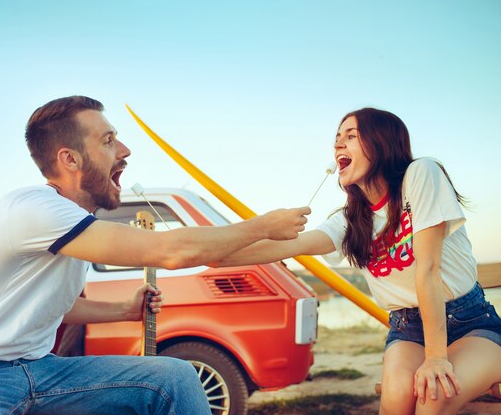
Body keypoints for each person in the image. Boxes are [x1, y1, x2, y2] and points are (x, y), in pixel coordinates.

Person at [0, 95, 310, 415]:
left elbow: (58, 306)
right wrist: (261, 225)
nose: (124, 150)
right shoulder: (32, 208)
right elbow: (171, 251)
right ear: (69, 159)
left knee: (175, 378)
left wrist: (123, 309)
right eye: (108, 140)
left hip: (40, 371)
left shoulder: (77, 223)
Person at [211, 108, 501, 415]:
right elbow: (285, 247)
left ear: (382, 143)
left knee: (433, 397)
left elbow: (428, 268)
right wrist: (214, 255)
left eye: (351, 136)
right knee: (397, 400)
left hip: (470, 322)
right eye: (336, 138)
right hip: (407, 328)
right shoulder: (349, 221)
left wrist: (436, 357)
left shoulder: (422, 174)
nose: (337, 145)